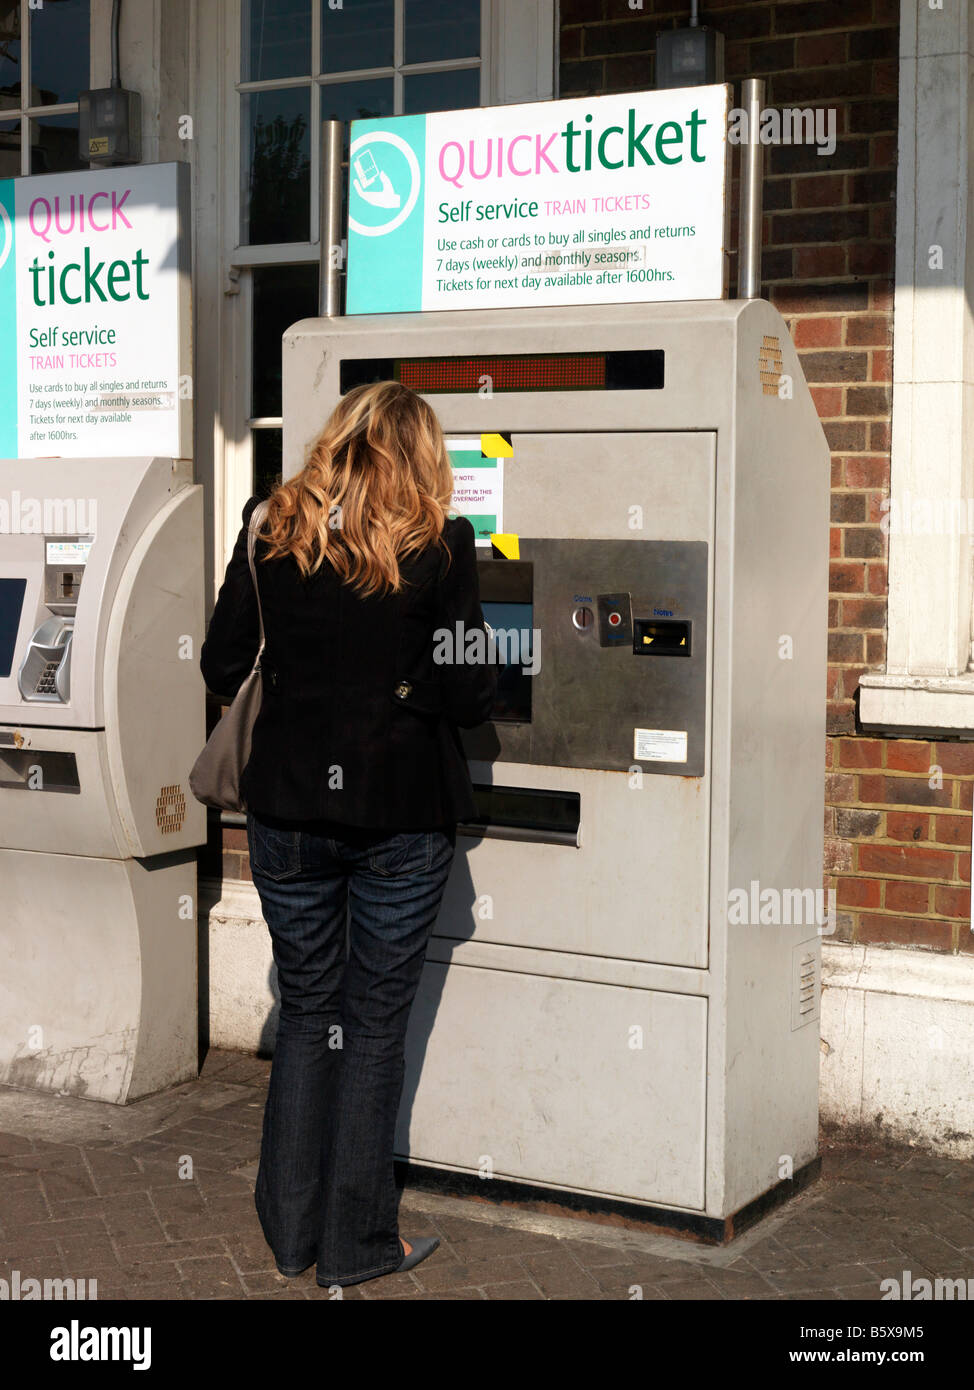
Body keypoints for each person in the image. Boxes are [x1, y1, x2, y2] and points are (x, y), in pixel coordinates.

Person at [199, 382, 496, 1288]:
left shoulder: (268, 525)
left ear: (333, 440)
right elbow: (472, 691)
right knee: (370, 1030)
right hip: (400, 814)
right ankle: (358, 1246)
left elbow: (219, 663)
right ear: (420, 453)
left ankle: (291, 1238)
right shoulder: (440, 544)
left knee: (306, 1019)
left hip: (286, 811)